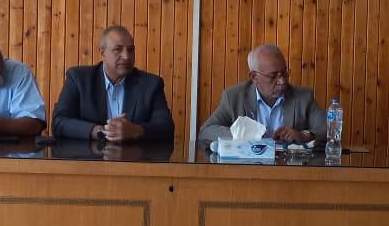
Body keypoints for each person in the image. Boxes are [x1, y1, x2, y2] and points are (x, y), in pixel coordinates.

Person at [51, 25, 175, 141]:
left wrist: (136, 131)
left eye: (131, 50)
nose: (126, 56)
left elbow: (166, 128)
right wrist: (101, 131)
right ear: (103, 53)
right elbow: (59, 122)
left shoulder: (151, 84)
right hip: (88, 156)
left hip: (135, 156)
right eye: (118, 49)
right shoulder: (79, 79)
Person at [198, 44, 327, 144]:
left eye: (284, 73)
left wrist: (304, 135)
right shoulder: (234, 97)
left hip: (289, 167)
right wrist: (244, 134)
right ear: (254, 77)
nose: (282, 81)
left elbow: (328, 128)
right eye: (273, 76)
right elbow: (206, 131)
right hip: (248, 167)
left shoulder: (303, 97)